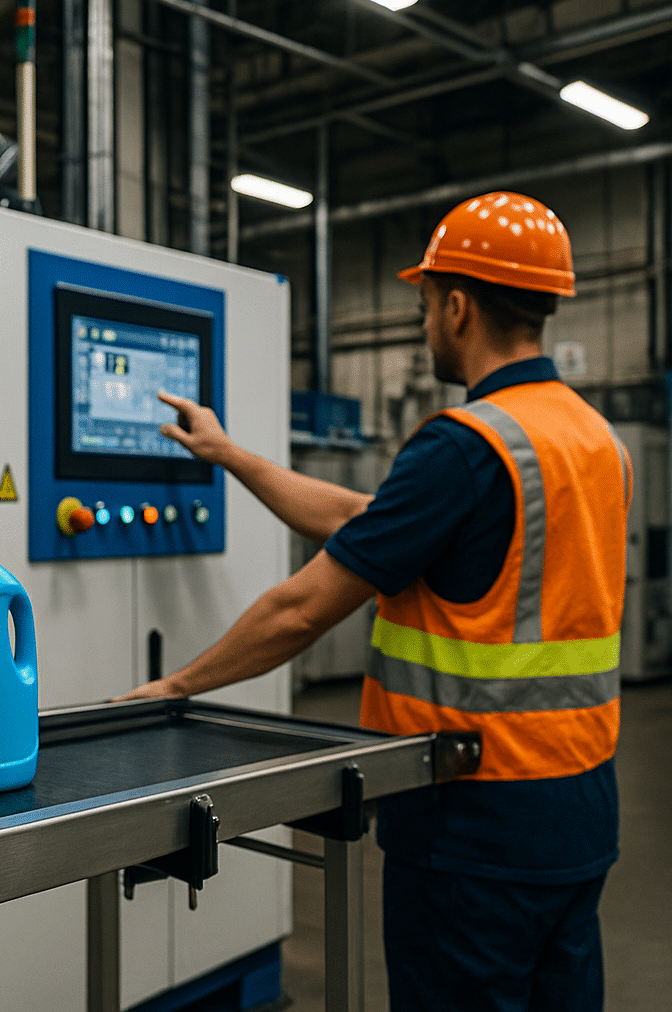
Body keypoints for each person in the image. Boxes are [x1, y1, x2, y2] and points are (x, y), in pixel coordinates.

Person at [119, 191, 626, 1012]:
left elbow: (303, 608)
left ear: (458, 305)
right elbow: (369, 524)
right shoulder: (591, 438)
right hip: (579, 807)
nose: (425, 323)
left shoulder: (467, 445)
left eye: (426, 304)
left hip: (472, 820)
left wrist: (176, 686)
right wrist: (228, 454)